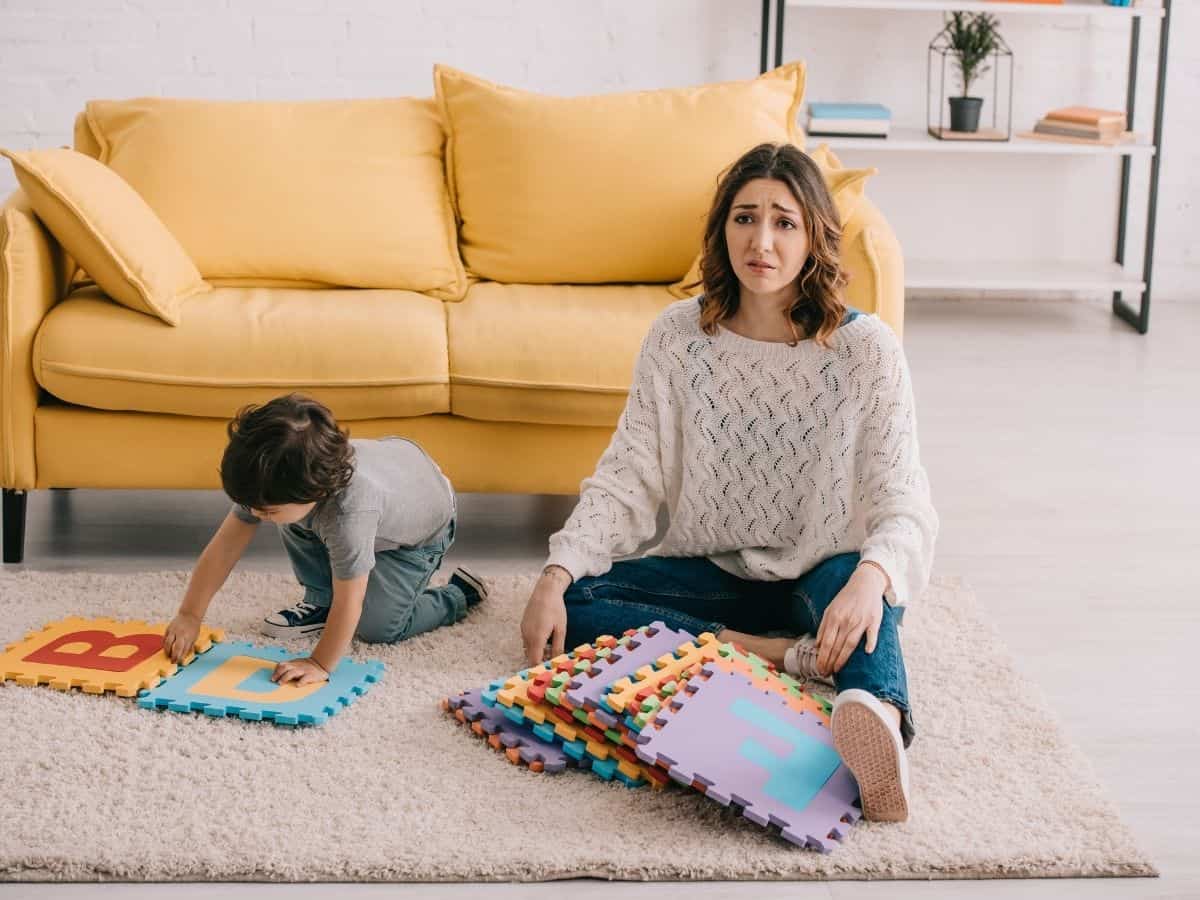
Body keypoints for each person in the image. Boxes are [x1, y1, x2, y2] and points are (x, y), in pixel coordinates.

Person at [519, 142, 937, 822]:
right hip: (715, 576)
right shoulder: (678, 338)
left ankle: (877, 718)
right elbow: (628, 476)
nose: (762, 241)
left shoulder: (867, 350)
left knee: (868, 592)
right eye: (745, 218)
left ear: (814, 238)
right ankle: (786, 658)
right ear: (721, 230)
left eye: (784, 222)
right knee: (581, 606)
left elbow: (904, 503)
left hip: (820, 576)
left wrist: (872, 578)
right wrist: (554, 576)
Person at [163, 393, 487, 684]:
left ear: (315, 491)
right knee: (291, 518)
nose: (254, 513)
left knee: (377, 628)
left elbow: (351, 600)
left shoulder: (348, 514)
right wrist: (190, 614)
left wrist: (320, 662)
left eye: (265, 510)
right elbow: (225, 547)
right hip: (398, 472)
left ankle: (458, 596)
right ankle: (320, 600)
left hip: (422, 531)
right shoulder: (277, 479)